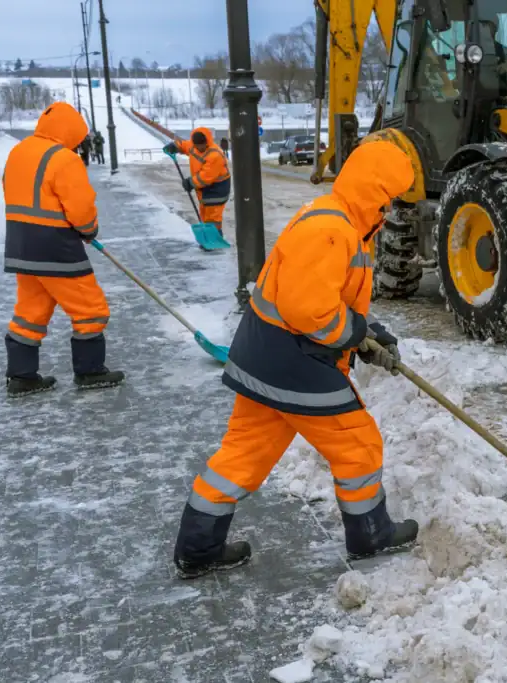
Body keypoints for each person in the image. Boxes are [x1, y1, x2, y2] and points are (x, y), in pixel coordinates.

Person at [172, 139, 418, 579]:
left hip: (263, 359)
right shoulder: (332, 230)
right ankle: (370, 534)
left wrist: (368, 333)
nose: (393, 207)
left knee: (242, 456)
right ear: (377, 191)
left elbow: (330, 299)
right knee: (358, 446)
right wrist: (356, 335)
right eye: (392, 197)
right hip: (294, 364)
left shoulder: (342, 222)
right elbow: (310, 313)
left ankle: (198, 547)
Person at [2, 102, 125, 397]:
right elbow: (80, 206)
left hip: (21, 244)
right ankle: (90, 371)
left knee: (30, 312)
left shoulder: (19, 151)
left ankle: (22, 376)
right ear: (70, 131)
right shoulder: (64, 159)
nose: (79, 142)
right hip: (55, 246)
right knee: (90, 308)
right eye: (78, 137)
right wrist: (88, 230)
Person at [164, 128, 230, 241]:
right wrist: (175, 146)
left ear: (207, 142)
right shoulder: (194, 146)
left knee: (212, 217)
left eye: (202, 145)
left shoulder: (215, 155)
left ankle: (214, 239)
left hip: (217, 189)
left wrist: (190, 183)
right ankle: (210, 237)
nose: (200, 148)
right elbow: (184, 145)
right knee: (204, 213)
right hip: (205, 189)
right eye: (198, 146)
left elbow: (206, 177)